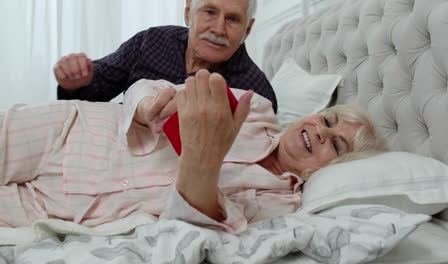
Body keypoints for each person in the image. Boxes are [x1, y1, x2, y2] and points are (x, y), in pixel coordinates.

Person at [0, 71, 387, 233]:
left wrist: (205, 157)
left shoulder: (283, 205)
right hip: (74, 132)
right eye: (328, 120)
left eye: (336, 144)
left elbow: (196, 221)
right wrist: (152, 103)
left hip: (65, 208)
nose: (320, 131)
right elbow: (148, 86)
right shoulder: (256, 110)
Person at [54, 0, 278, 113]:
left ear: (247, 30)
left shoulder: (257, 95)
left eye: (232, 19)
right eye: (210, 12)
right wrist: (76, 82)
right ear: (188, 12)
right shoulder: (152, 41)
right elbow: (95, 89)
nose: (218, 29)